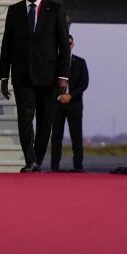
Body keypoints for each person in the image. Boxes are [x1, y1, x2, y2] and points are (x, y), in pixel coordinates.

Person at [0, 0, 70, 172]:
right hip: (22, 76)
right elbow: (7, 45)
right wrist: (4, 75)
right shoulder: (14, 11)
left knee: (44, 121)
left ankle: (37, 160)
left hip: (49, 77)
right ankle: (29, 160)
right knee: (24, 119)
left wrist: (63, 77)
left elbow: (64, 47)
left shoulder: (55, 10)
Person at [50, 34, 88, 172]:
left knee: (76, 136)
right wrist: (59, 96)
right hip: (57, 104)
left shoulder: (80, 62)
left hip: (74, 104)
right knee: (56, 136)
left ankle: (78, 167)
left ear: (72, 45)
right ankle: (54, 167)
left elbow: (84, 83)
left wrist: (70, 95)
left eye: (68, 44)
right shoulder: (53, 62)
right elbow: (48, 82)